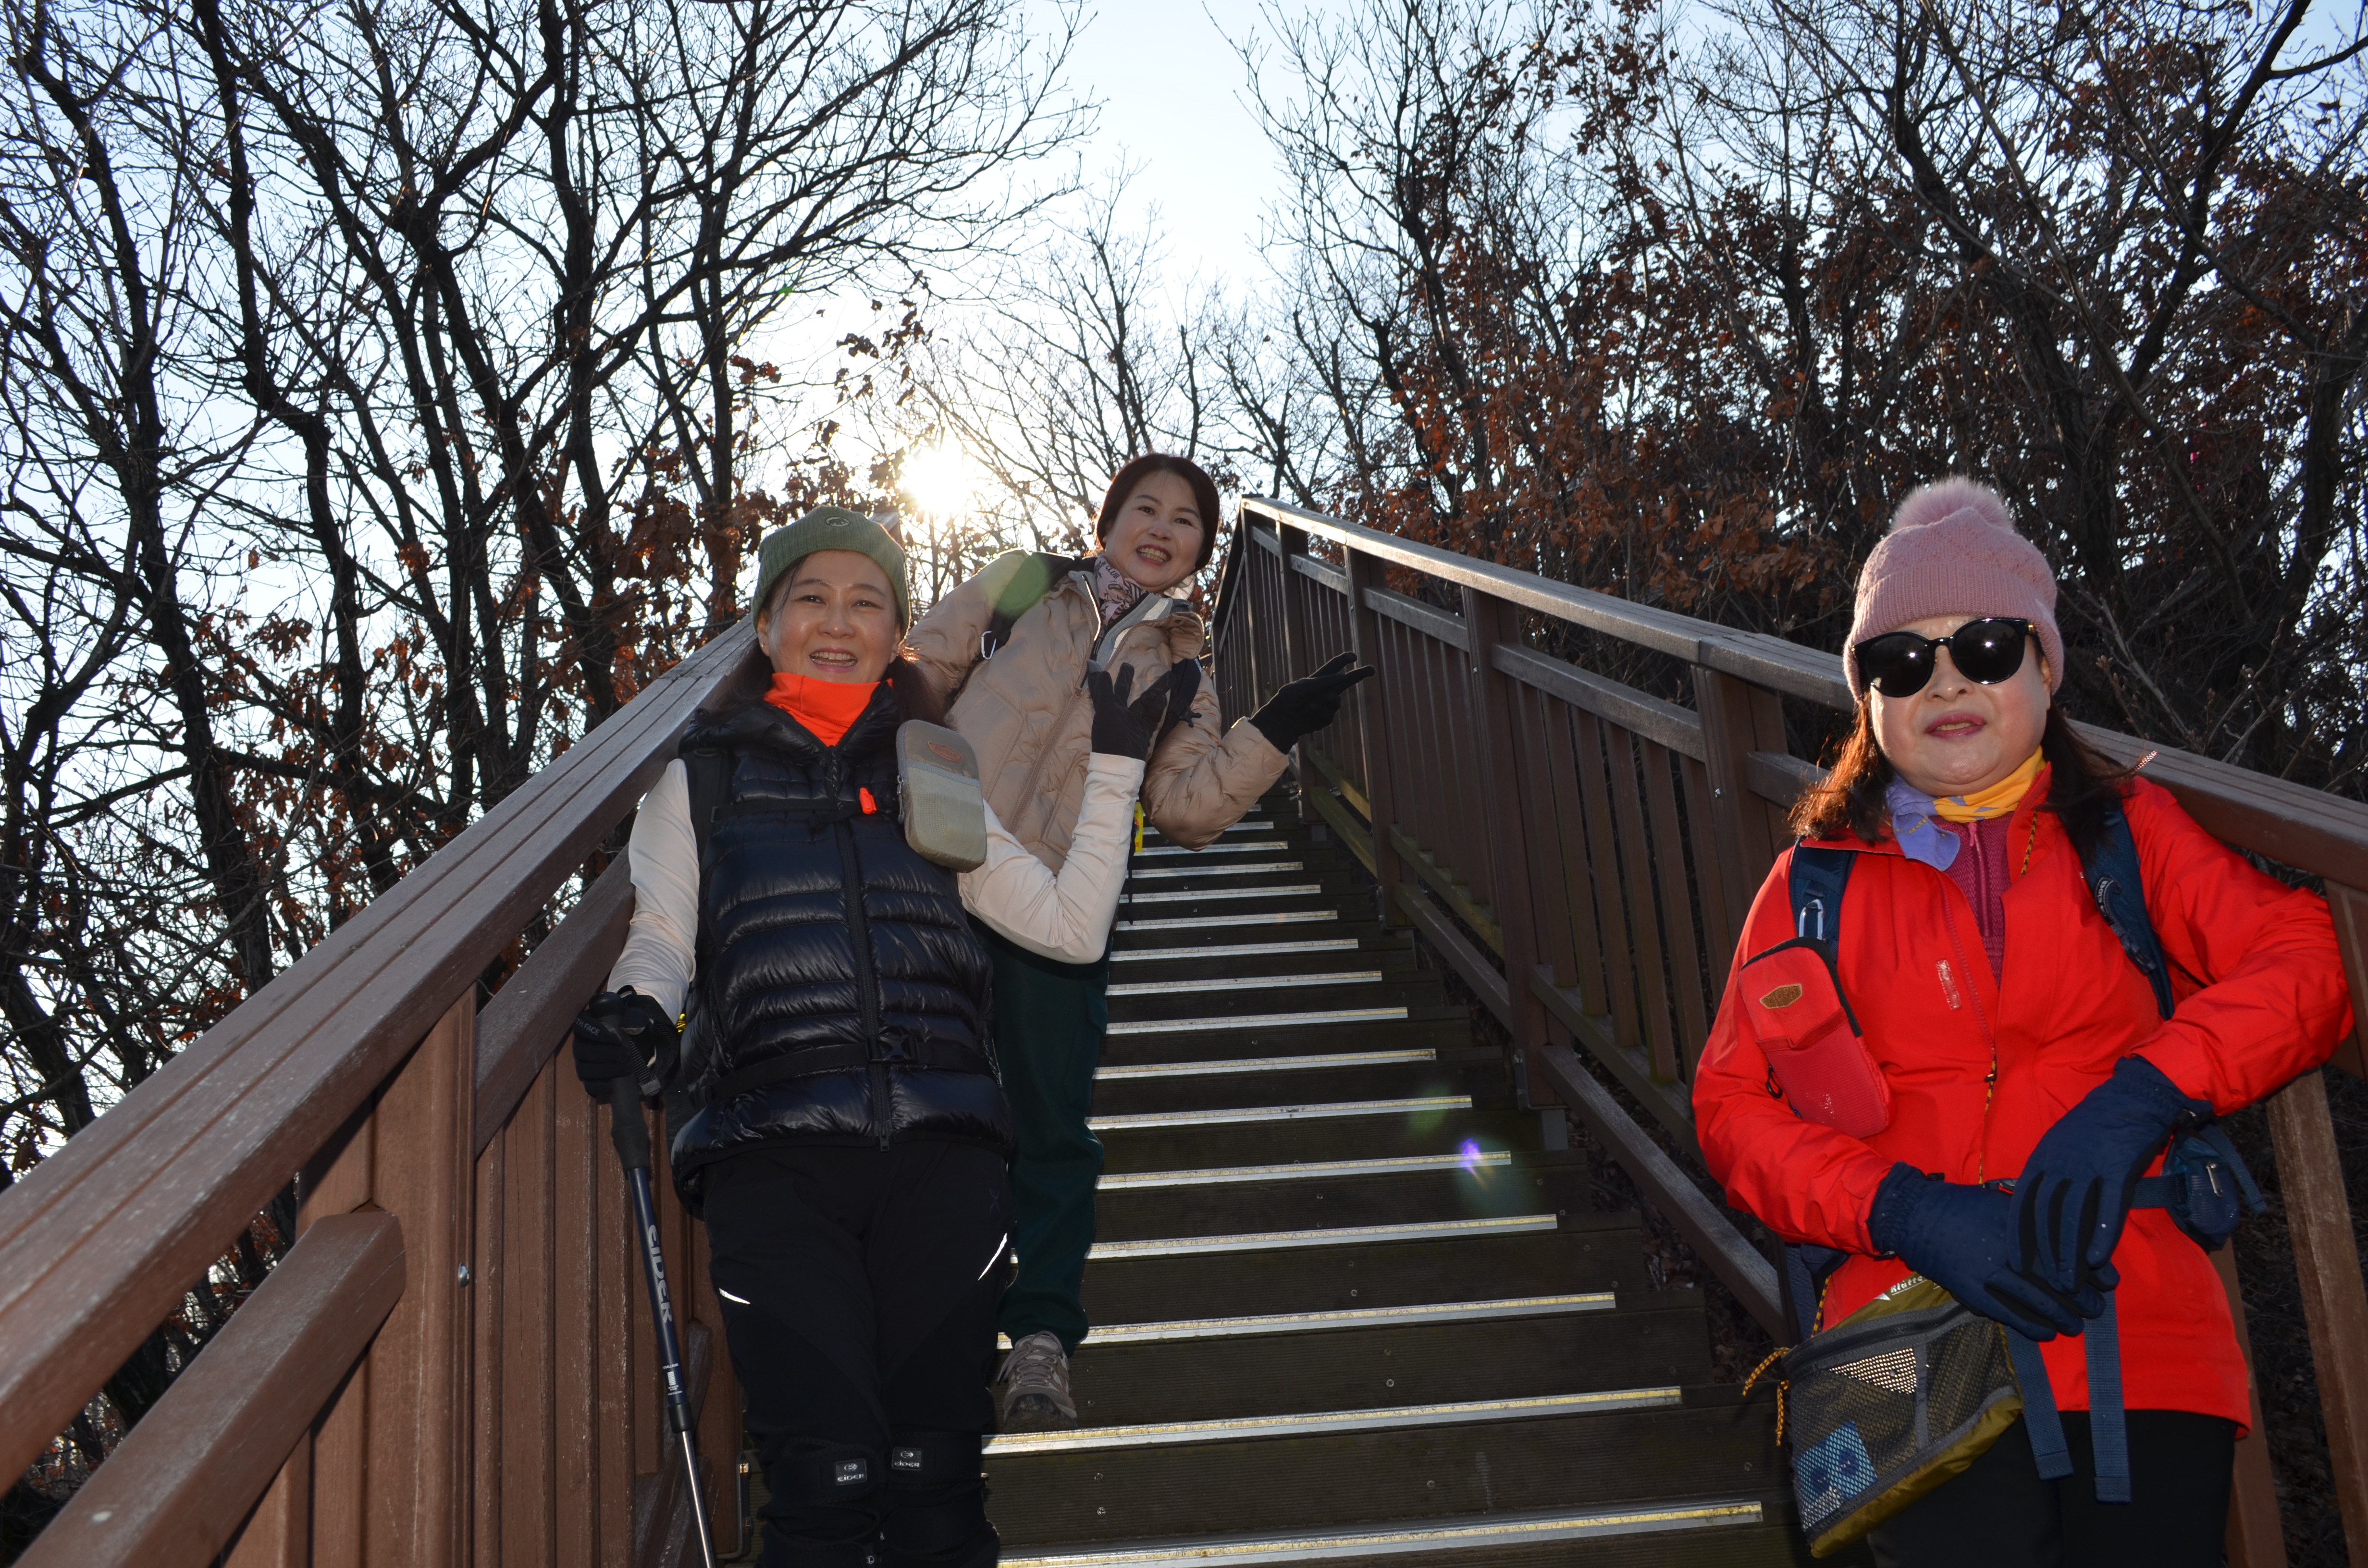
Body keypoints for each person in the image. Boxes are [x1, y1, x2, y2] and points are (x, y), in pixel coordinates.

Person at [1690, 479, 2353, 1566]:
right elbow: (1730, 1109)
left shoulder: (2129, 832)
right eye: (1901, 661)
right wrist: (1900, 1209)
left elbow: (2313, 959)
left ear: (2044, 667)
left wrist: (2144, 1097)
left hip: (2134, 1326)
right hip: (1903, 1344)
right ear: (1868, 700)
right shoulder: (1812, 883)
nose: (1947, 680)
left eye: (1987, 647)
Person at [567, 508, 1192, 1568]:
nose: (837, 621)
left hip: (943, 1156)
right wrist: (637, 1014)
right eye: (810, 598)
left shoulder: (934, 770)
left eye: (867, 603)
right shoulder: (701, 777)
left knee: (933, 1479)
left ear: (897, 634)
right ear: (766, 627)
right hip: (773, 1157)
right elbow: (664, 936)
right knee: (824, 1479)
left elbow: (1070, 931)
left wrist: (1117, 769)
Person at [905, 453, 1372, 1428]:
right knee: (928, 1116)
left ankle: (1040, 1339)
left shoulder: (1185, 668)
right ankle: (929, 1329)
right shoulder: (1019, 586)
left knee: (1051, 1129)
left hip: (1057, 913)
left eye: (1186, 520)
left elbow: (1187, 808)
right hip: (933, 883)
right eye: (1144, 508)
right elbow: (916, 679)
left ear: (1201, 551)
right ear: (1107, 521)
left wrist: (1273, 729)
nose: (1162, 527)